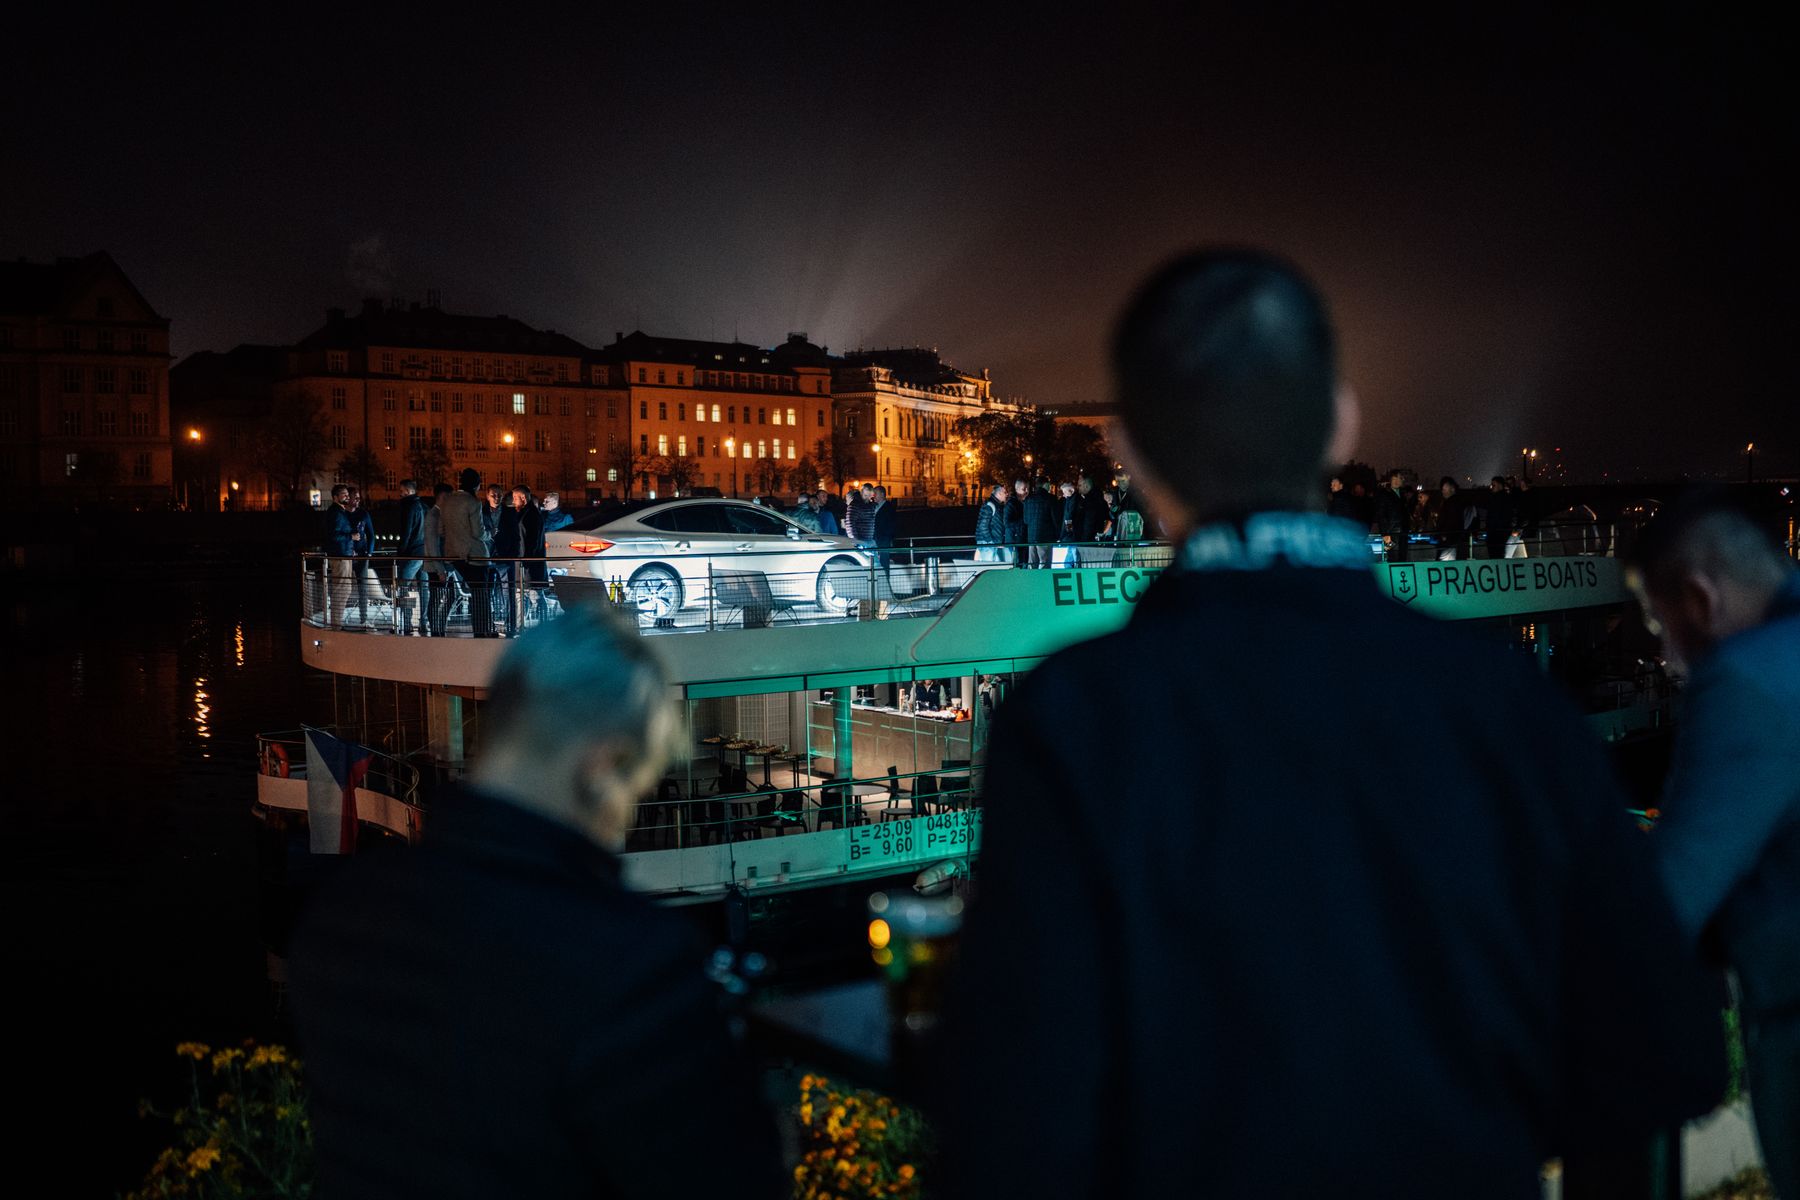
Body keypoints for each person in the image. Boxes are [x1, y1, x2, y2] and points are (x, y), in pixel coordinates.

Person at [936, 249, 1725, 1197]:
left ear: (1130, 452)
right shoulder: (1505, 700)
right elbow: (1665, 1051)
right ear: (1341, 424)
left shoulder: (1071, 720)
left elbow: (1012, 1116)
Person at [289, 603, 782, 1198]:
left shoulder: (343, 915)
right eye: (636, 788)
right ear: (603, 766)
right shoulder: (632, 966)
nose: (626, 815)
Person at [1629, 492, 1800, 1195]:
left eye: (1660, 625)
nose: (1669, 659)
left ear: (1701, 598)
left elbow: (1664, 902)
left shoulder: (1745, 678)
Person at [441, 469, 493, 637]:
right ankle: (483, 630)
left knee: (472, 593)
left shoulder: (447, 501)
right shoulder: (473, 502)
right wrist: (491, 534)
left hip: (453, 554)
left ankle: (480, 630)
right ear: (477, 485)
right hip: (475, 555)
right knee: (481, 596)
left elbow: (441, 530)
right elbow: (478, 533)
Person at [395, 479, 429, 636]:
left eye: (401, 491)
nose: (400, 494)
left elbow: (406, 532)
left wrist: (401, 551)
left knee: (403, 586)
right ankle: (423, 621)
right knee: (424, 588)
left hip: (411, 553)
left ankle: (407, 622)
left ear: (407, 491)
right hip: (425, 552)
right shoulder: (424, 506)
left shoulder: (408, 506)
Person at [423, 482, 454, 637]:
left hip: (442, 565)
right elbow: (432, 545)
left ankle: (439, 626)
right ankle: (436, 628)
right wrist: (440, 569)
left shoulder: (439, 514)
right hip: (436, 566)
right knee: (436, 598)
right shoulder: (433, 516)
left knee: (446, 596)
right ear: (443, 496)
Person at [514, 484, 546, 626]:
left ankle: (524, 627)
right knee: (527, 596)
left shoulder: (530, 515)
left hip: (528, 564)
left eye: (515, 497)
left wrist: (525, 560)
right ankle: (522, 626)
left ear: (523, 497)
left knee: (532, 596)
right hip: (527, 563)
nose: (513, 501)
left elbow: (532, 541)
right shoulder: (530, 514)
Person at [1374, 469, 1410, 560]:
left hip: (1403, 532)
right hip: (1390, 533)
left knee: (1402, 557)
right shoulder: (1384, 494)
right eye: (1394, 478)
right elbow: (1381, 515)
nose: (1396, 481)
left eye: (1399, 478)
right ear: (1390, 480)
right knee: (1393, 558)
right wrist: (1385, 533)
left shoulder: (1403, 494)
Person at [1435, 476, 1471, 560]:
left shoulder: (1451, 503)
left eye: (1445, 489)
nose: (1443, 491)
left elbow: (1451, 520)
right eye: (1443, 489)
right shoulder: (1456, 502)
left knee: (1445, 562)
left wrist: (1444, 535)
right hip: (1452, 539)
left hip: (1449, 540)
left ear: (1452, 489)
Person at [1021, 481, 1056, 568]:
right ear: (1045, 485)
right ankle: (1044, 577)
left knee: (1032, 563)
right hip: (1046, 537)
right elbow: (1055, 519)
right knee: (1045, 562)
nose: (1050, 487)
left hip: (1031, 537)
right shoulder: (1051, 498)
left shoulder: (1028, 499)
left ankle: (1031, 576)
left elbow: (1025, 520)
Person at [973, 484, 1010, 563]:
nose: (1007, 494)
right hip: (989, 544)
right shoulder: (991, 505)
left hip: (990, 543)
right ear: (999, 493)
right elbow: (983, 526)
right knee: (989, 566)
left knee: (990, 566)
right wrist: (990, 541)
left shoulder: (993, 505)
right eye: (1005, 492)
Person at [872, 485, 897, 568]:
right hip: (875, 538)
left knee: (884, 561)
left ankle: (885, 575)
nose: (873, 495)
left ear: (882, 494)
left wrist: (886, 537)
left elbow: (892, 524)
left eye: (875, 493)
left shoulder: (889, 507)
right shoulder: (874, 506)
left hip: (883, 539)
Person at [1005, 479, 1029, 557]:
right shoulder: (1011, 504)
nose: (1027, 491)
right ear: (1017, 489)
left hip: (1023, 539)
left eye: (1027, 488)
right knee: (1017, 561)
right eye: (1024, 489)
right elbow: (1007, 523)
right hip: (1014, 540)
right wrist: (1024, 520)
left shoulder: (1026, 502)